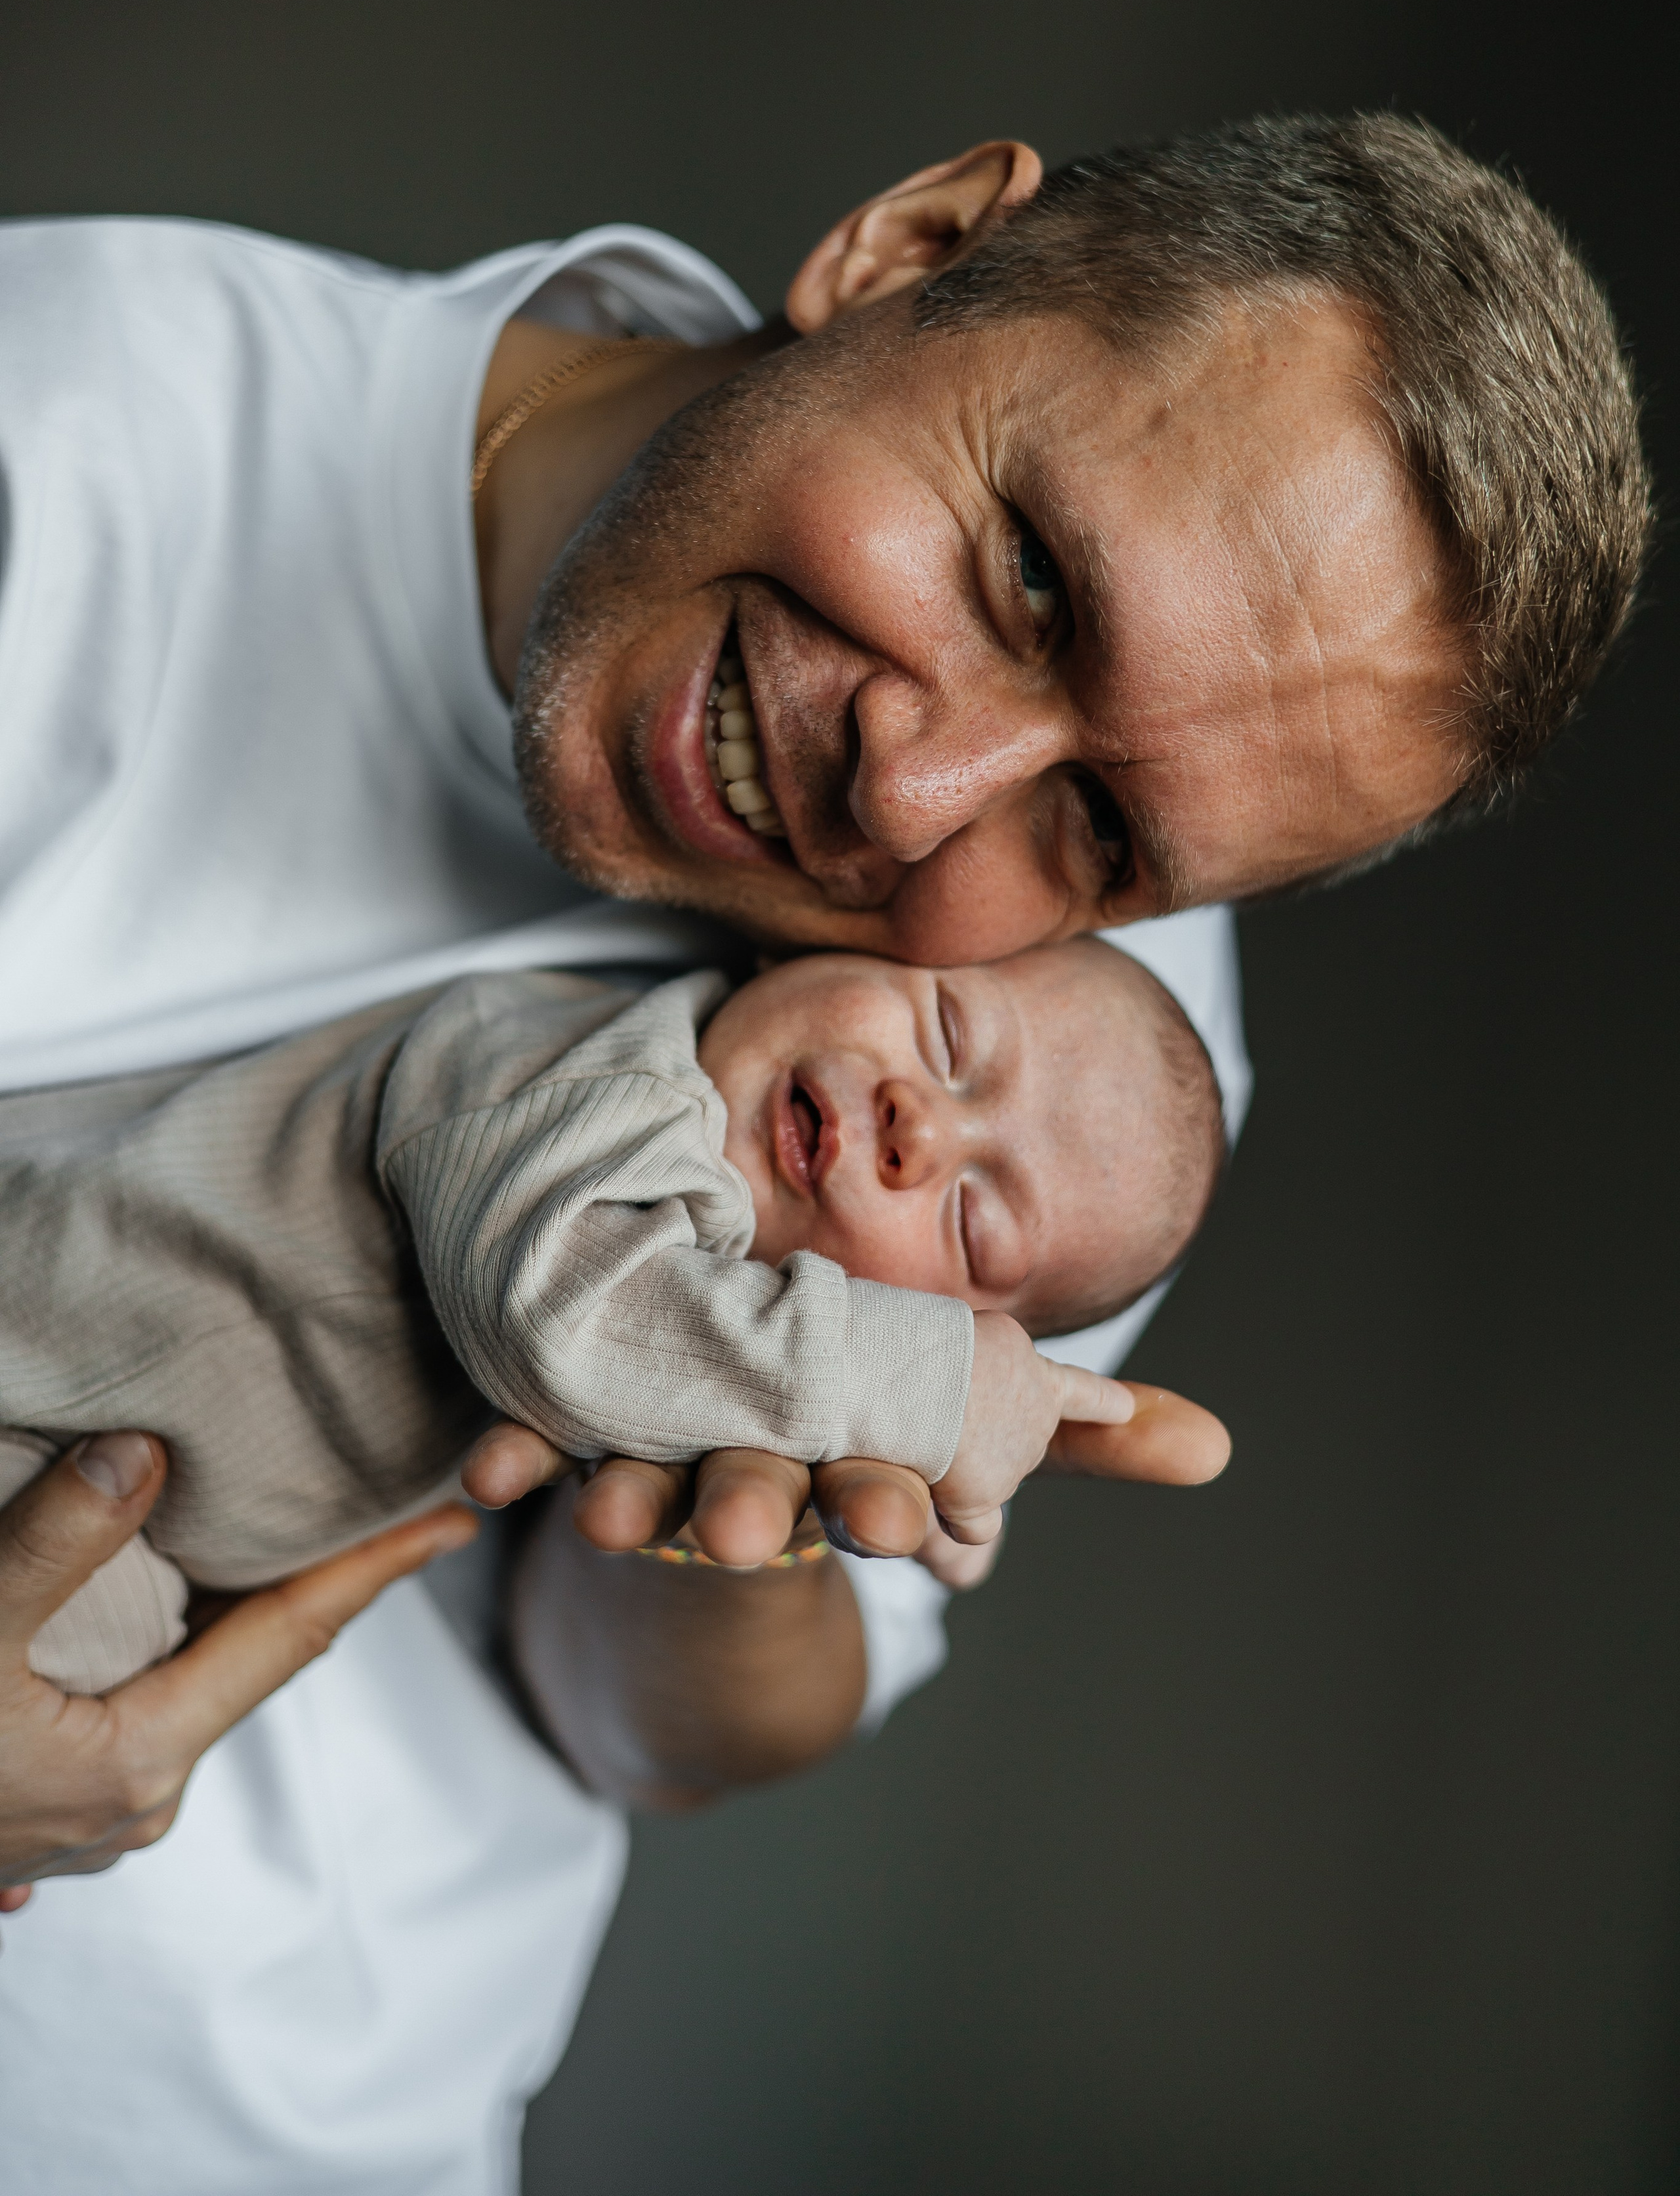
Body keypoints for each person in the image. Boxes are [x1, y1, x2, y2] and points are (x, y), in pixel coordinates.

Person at [0, 113, 1649, 2193]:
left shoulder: (1062, 1045)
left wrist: (739, 1525)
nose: (923, 795)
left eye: (1113, 837)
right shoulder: (58, 429)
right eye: (1032, 579)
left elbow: (662, 1729)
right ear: (909, 248)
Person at [2, 939, 1227, 1696]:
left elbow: (720, 1358)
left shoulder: (721, 1304)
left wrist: (926, 1463)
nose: (923, 1125)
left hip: (112, 1505)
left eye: (972, 1225)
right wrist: (929, 1388)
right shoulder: (589, 1073)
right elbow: (566, 1315)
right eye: (950, 1033)